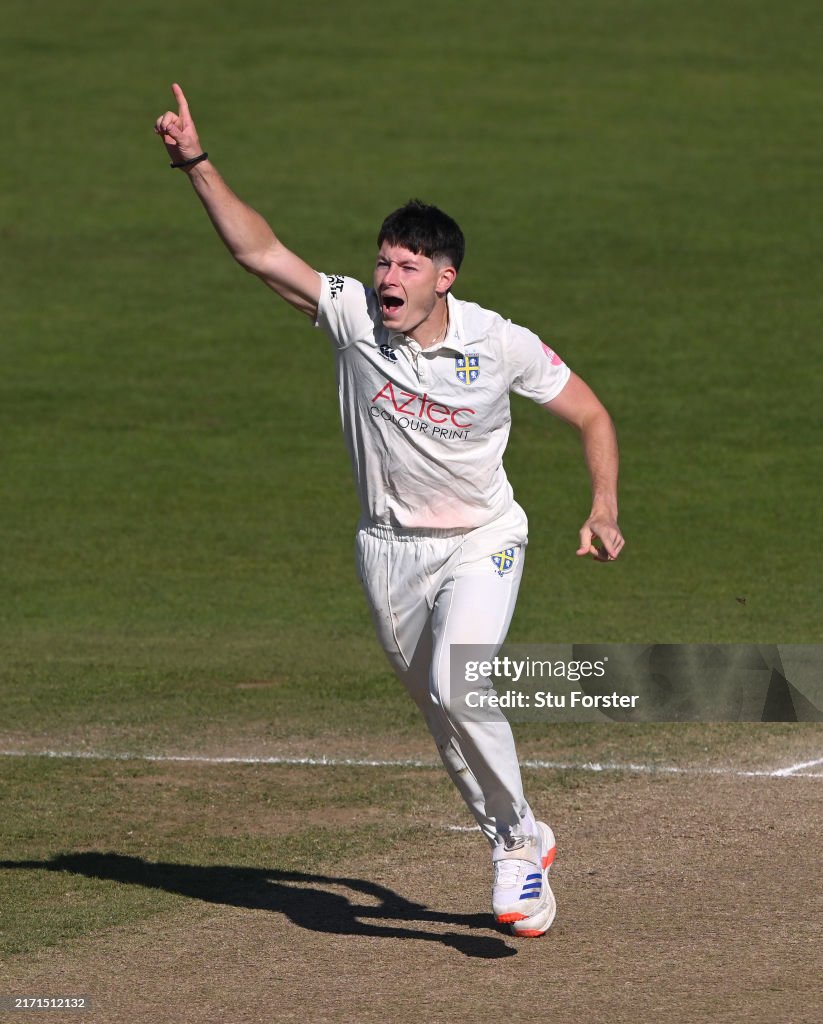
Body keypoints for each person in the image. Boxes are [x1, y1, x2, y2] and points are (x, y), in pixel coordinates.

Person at [154, 83, 625, 938]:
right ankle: (520, 836)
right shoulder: (351, 317)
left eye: (408, 266)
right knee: (442, 714)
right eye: (382, 262)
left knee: (462, 677)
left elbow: (591, 413)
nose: (387, 278)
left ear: (447, 278)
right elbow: (260, 254)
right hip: (388, 551)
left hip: (483, 539)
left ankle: (519, 848)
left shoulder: (499, 342)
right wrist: (195, 161)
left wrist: (603, 505)